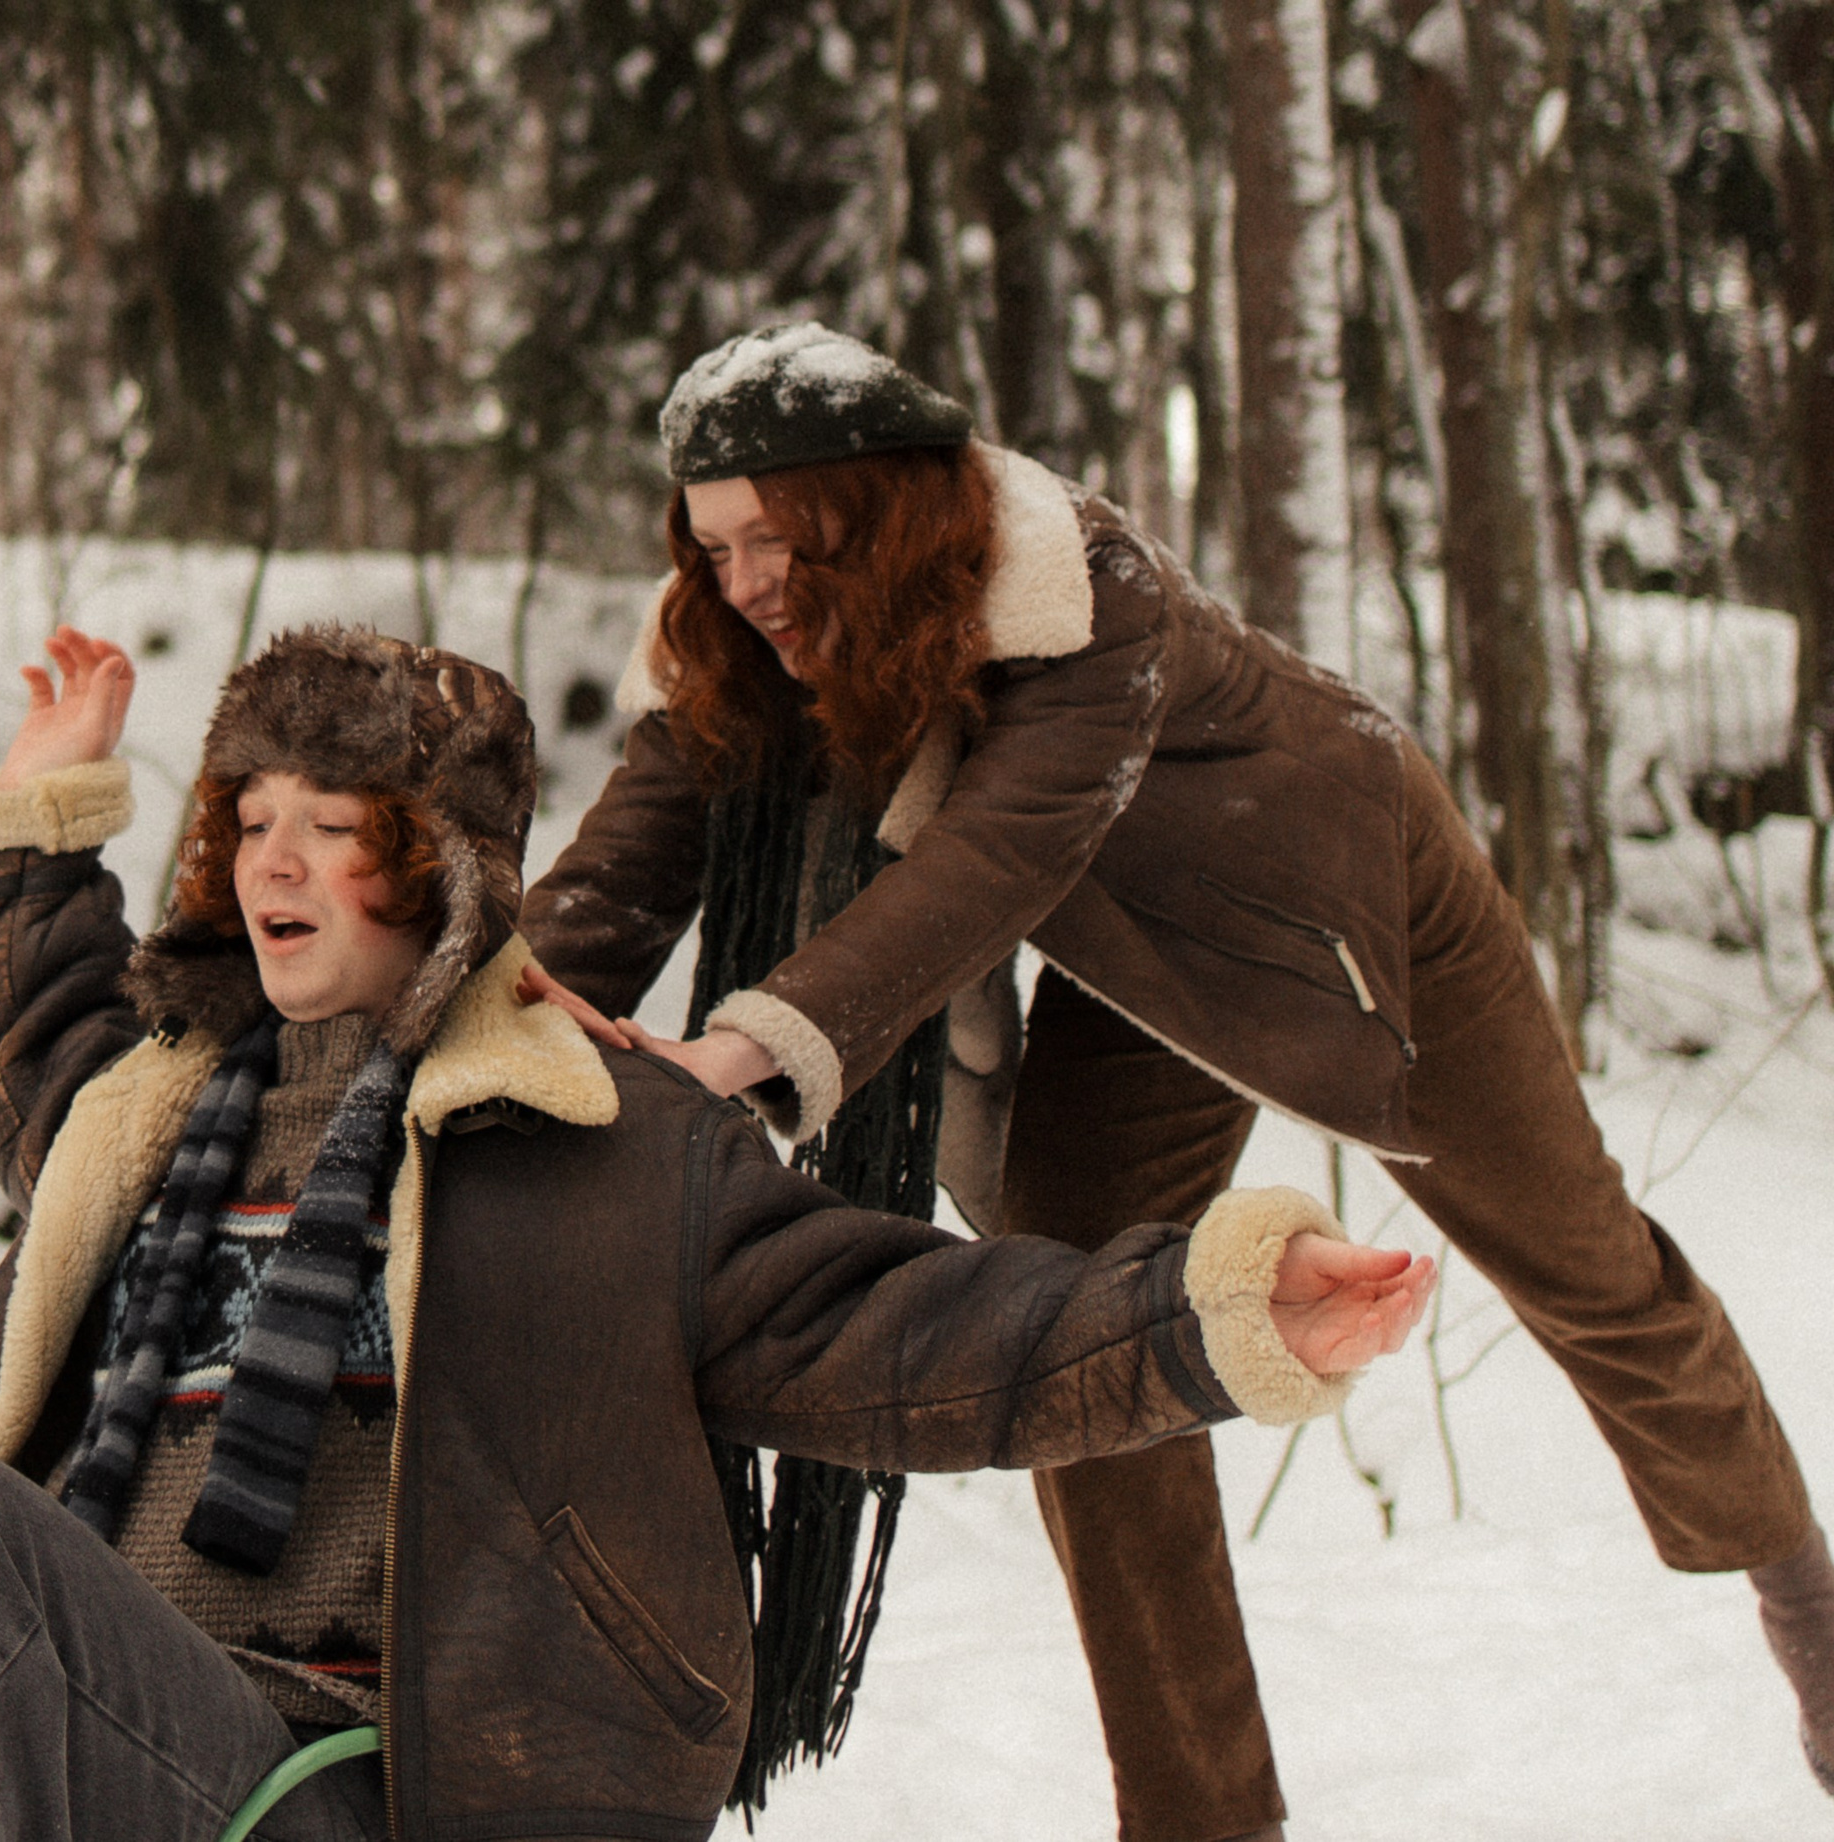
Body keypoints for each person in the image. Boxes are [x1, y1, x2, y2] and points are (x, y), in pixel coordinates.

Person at [0, 623, 1432, 1841]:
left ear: (444, 870)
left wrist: (1212, 1311)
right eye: (249, 820)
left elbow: (912, 1334)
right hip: (70, 1713)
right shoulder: (155, 1105)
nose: (272, 861)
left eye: (330, 825)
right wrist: (37, 819)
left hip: (345, 1778)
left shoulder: (606, 1141)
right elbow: (46, 1014)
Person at [514, 321, 1834, 1841]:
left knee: (1588, 1264)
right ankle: (1203, 1818)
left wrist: (742, 1050)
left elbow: (991, 857)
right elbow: (625, 863)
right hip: (1129, 968)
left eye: (775, 539)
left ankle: (1799, 1587)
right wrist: (489, 1020)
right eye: (714, 546)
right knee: (1088, 1327)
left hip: (1342, 914)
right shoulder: (747, 645)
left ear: (866, 507)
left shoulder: (1080, 590)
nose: (745, 581)